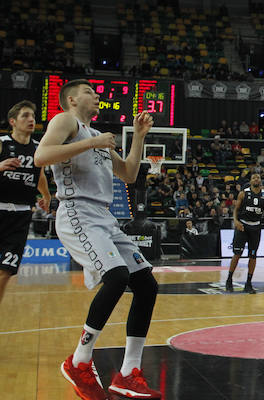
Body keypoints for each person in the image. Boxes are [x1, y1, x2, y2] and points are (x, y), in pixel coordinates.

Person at [35, 80, 161, 399]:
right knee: (117, 277)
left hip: (104, 216)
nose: (97, 96)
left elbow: (129, 174)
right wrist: (91, 145)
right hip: (77, 209)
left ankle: (129, 372)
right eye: (90, 92)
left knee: (146, 283)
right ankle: (79, 361)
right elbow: (42, 156)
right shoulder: (66, 120)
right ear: (73, 99)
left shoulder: (98, 137)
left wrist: (139, 137)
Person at [0, 101, 52, 305]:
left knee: (6, 270)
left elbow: (39, 175)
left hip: (20, 216)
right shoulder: (2, 142)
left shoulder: (39, 148)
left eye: (33, 116)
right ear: (13, 121)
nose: (31, 120)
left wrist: (46, 196)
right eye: (25, 116)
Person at [226, 173, 264, 293]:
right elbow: (235, 210)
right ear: (250, 180)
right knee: (237, 254)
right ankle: (229, 280)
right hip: (242, 226)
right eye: (254, 178)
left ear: (261, 181)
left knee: (253, 256)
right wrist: (236, 221)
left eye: (258, 177)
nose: (256, 179)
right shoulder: (244, 193)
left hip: (256, 228)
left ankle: (248, 283)